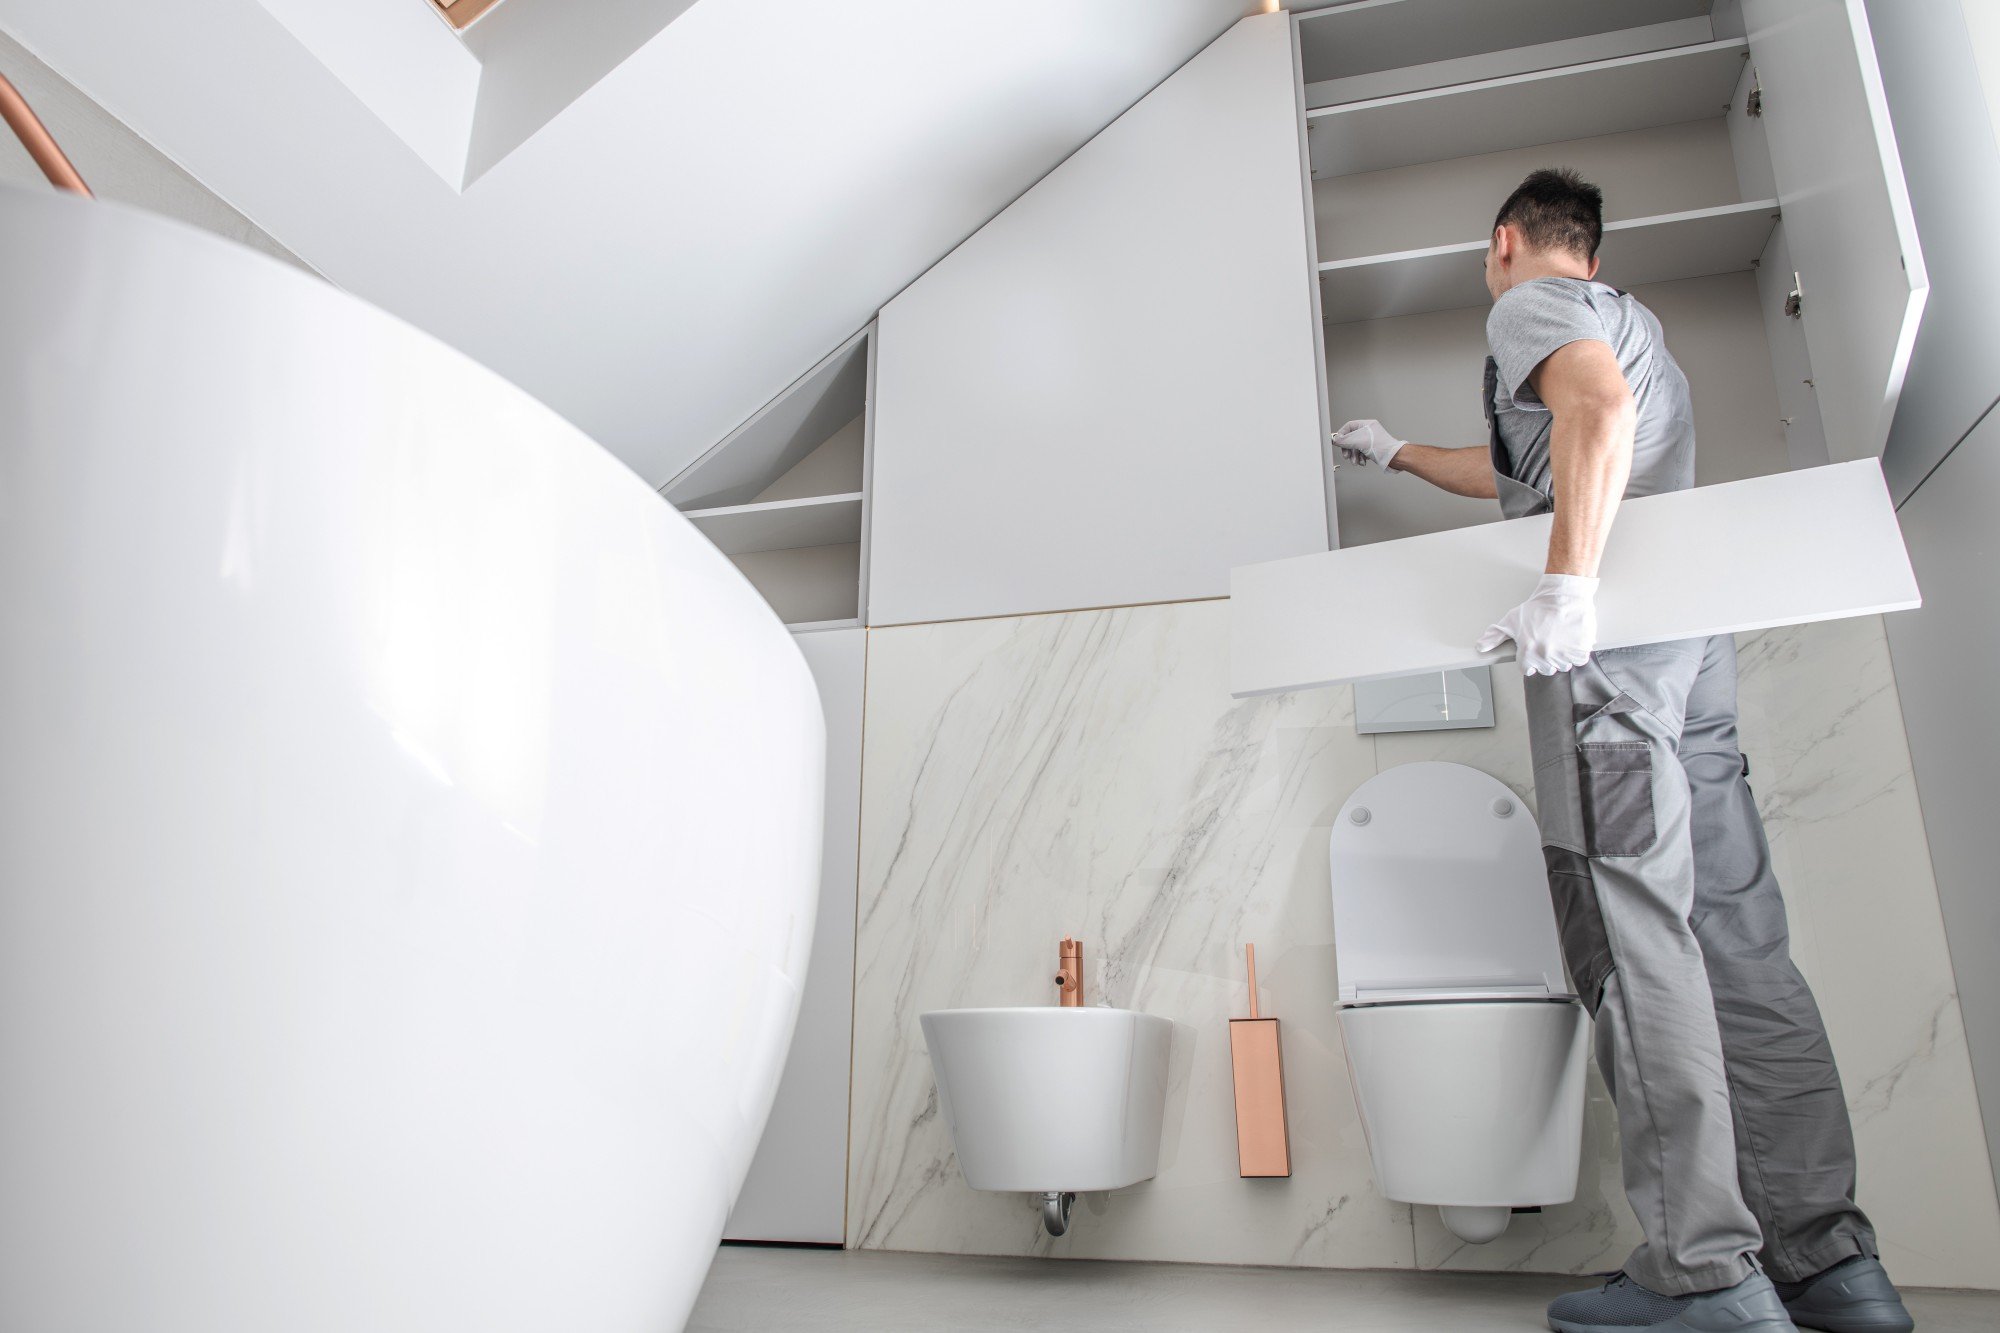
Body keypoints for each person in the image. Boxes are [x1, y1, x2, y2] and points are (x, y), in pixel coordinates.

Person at [1332, 169, 1915, 1333]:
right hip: (1686, 643)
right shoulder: (1633, 323)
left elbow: (1588, 413)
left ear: (1507, 241)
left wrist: (1563, 585)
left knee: (1626, 924)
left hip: (1607, 646)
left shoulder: (1525, 309)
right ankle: (1826, 1264)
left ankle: (1705, 1271)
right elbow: (1534, 464)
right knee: (1738, 941)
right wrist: (1395, 450)